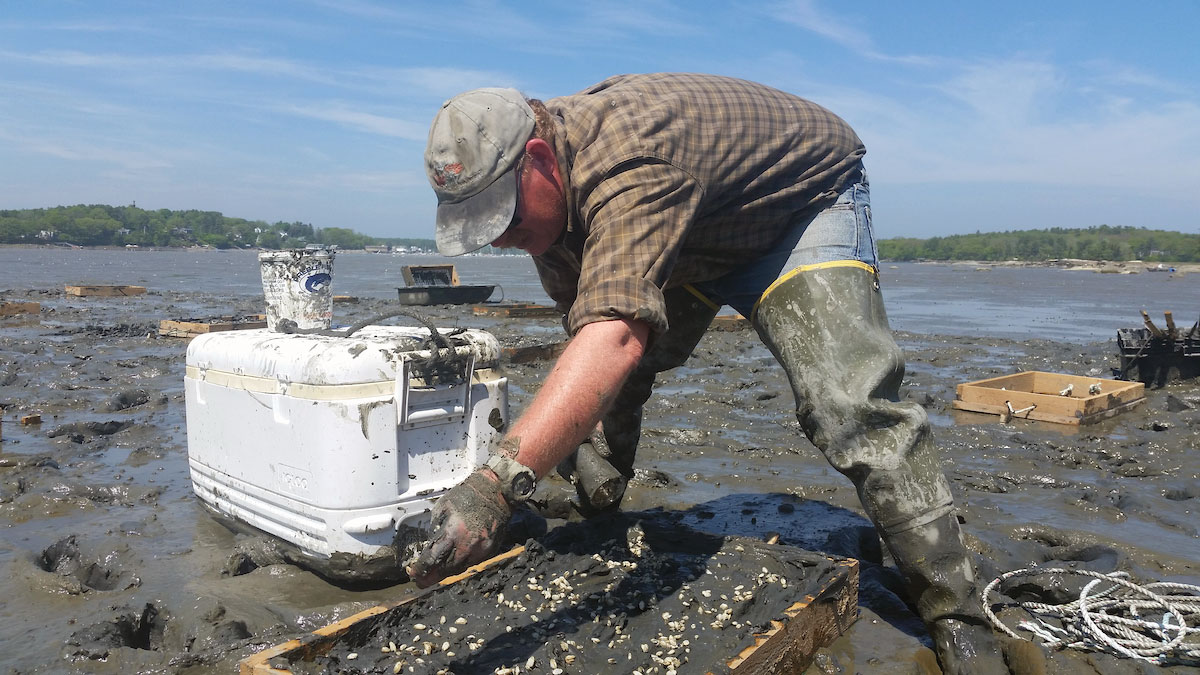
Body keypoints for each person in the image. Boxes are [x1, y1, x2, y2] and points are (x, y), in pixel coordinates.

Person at [409, 73, 1012, 673]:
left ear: (538, 160)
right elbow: (588, 336)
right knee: (615, 353)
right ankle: (603, 496)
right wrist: (575, 450)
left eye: (507, 219)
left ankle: (957, 612)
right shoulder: (556, 208)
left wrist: (495, 485)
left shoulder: (631, 163)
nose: (507, 241)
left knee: (848, 404)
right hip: (697, 224)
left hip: (795, 205)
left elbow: (614, 335)